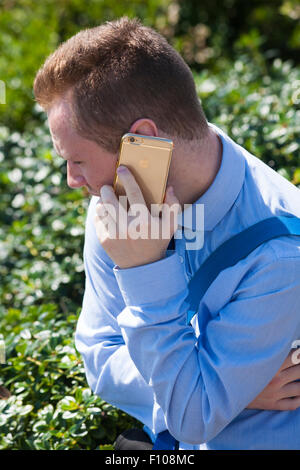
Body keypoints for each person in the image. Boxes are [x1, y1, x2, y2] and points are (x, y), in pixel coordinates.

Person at [33, 17, 300, 450]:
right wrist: (236, 393)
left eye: (77, 160)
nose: (70, 179)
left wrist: (143, 272)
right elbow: (99, 356)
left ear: (140, 141)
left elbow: (194, 420)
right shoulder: (116, 199)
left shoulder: (283, 254)